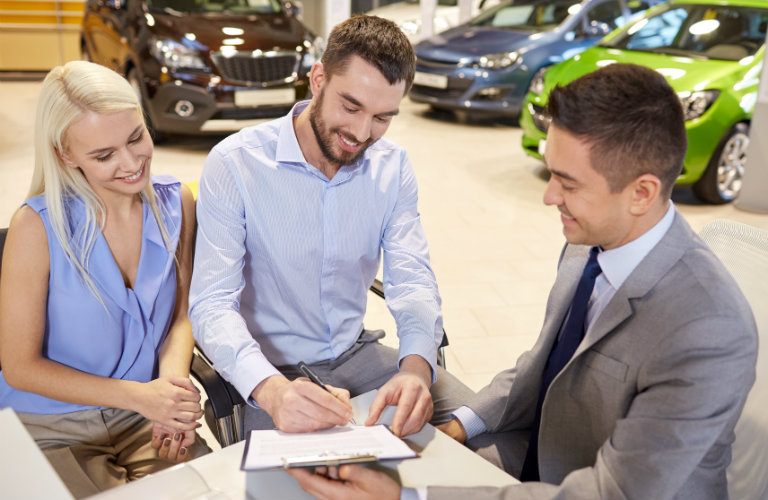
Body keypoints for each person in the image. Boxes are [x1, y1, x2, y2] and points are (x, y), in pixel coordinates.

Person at [286, 63, 758, 499]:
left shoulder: (708, 329)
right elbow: (545, 362)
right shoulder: (588, 240)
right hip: (544, 456)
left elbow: (612, 492)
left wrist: (409, 496)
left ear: (642, 193)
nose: (550, 197)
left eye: (569, 184)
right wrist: (460, 427)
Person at [189, 14, 474, 438]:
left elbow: (411, 279)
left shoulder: (392, 167)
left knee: (489, 427)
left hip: (357, 354)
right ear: (318, 78)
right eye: (351, 106)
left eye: (383, 117)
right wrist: (271, 391)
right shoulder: (235, 164)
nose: (361, 133)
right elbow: (211, 305)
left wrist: (415, 368)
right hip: (272, 372)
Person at [0, 60, 209, 499]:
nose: (132, 163)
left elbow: (181, 314)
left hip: (142, 417)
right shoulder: (35, 228)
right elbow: (20, 368)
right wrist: (142, 398)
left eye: (137, 138)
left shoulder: (178, 203)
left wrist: (170, 395)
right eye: (104, 155)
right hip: (50, 426)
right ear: (65, 154)